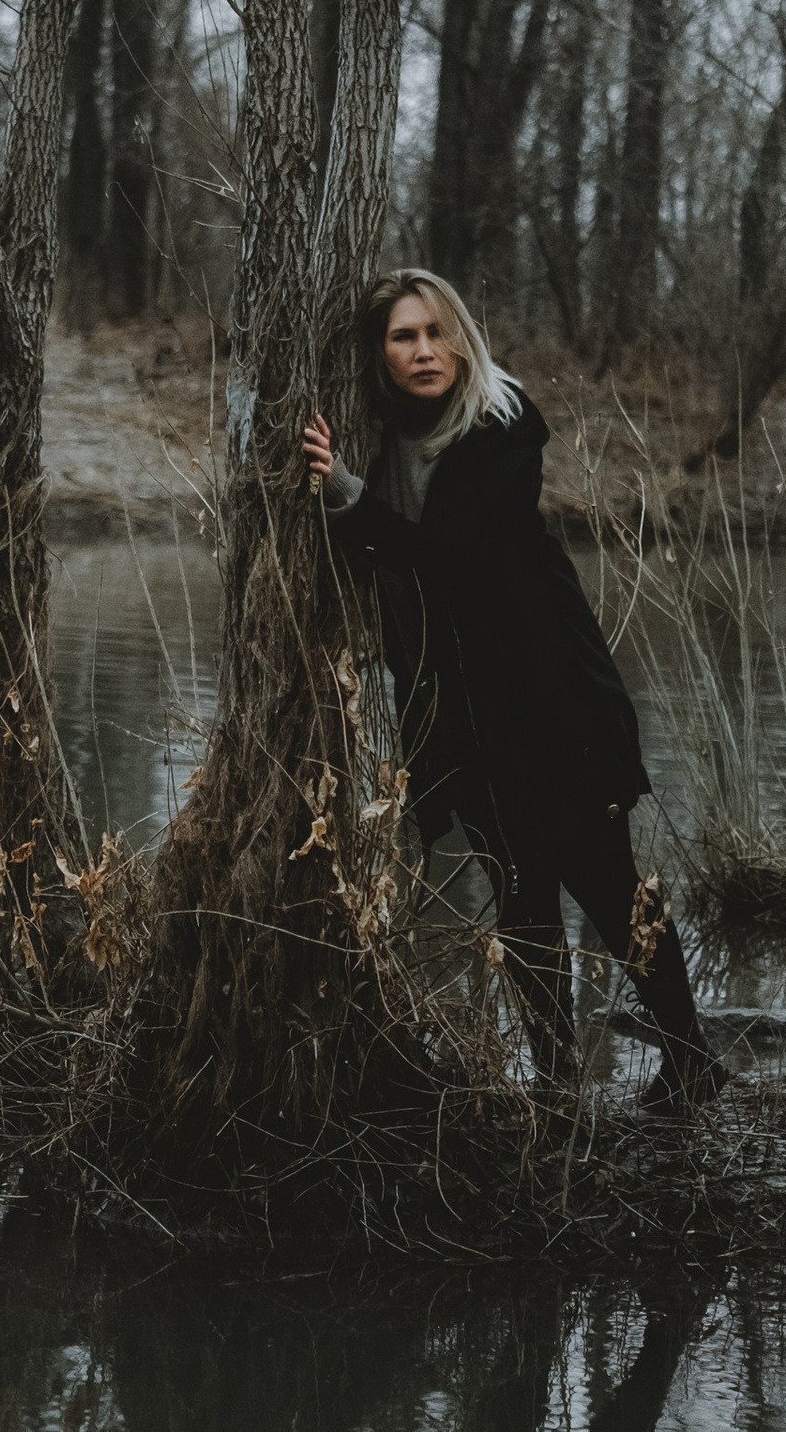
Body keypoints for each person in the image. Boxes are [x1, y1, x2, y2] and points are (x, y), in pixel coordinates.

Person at [302, 268, 718, 1113]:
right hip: (474, 713)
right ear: (379, 357)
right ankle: (556, 1082)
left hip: (554, 700)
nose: (424, 351)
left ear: (462, 336)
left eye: (435, 331)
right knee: (521, 903)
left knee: (606, 886)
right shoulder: (391, 438)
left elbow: (449, 562)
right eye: (402, 337)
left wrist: (347, 499)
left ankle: (692, 1058)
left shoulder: (499, 430)